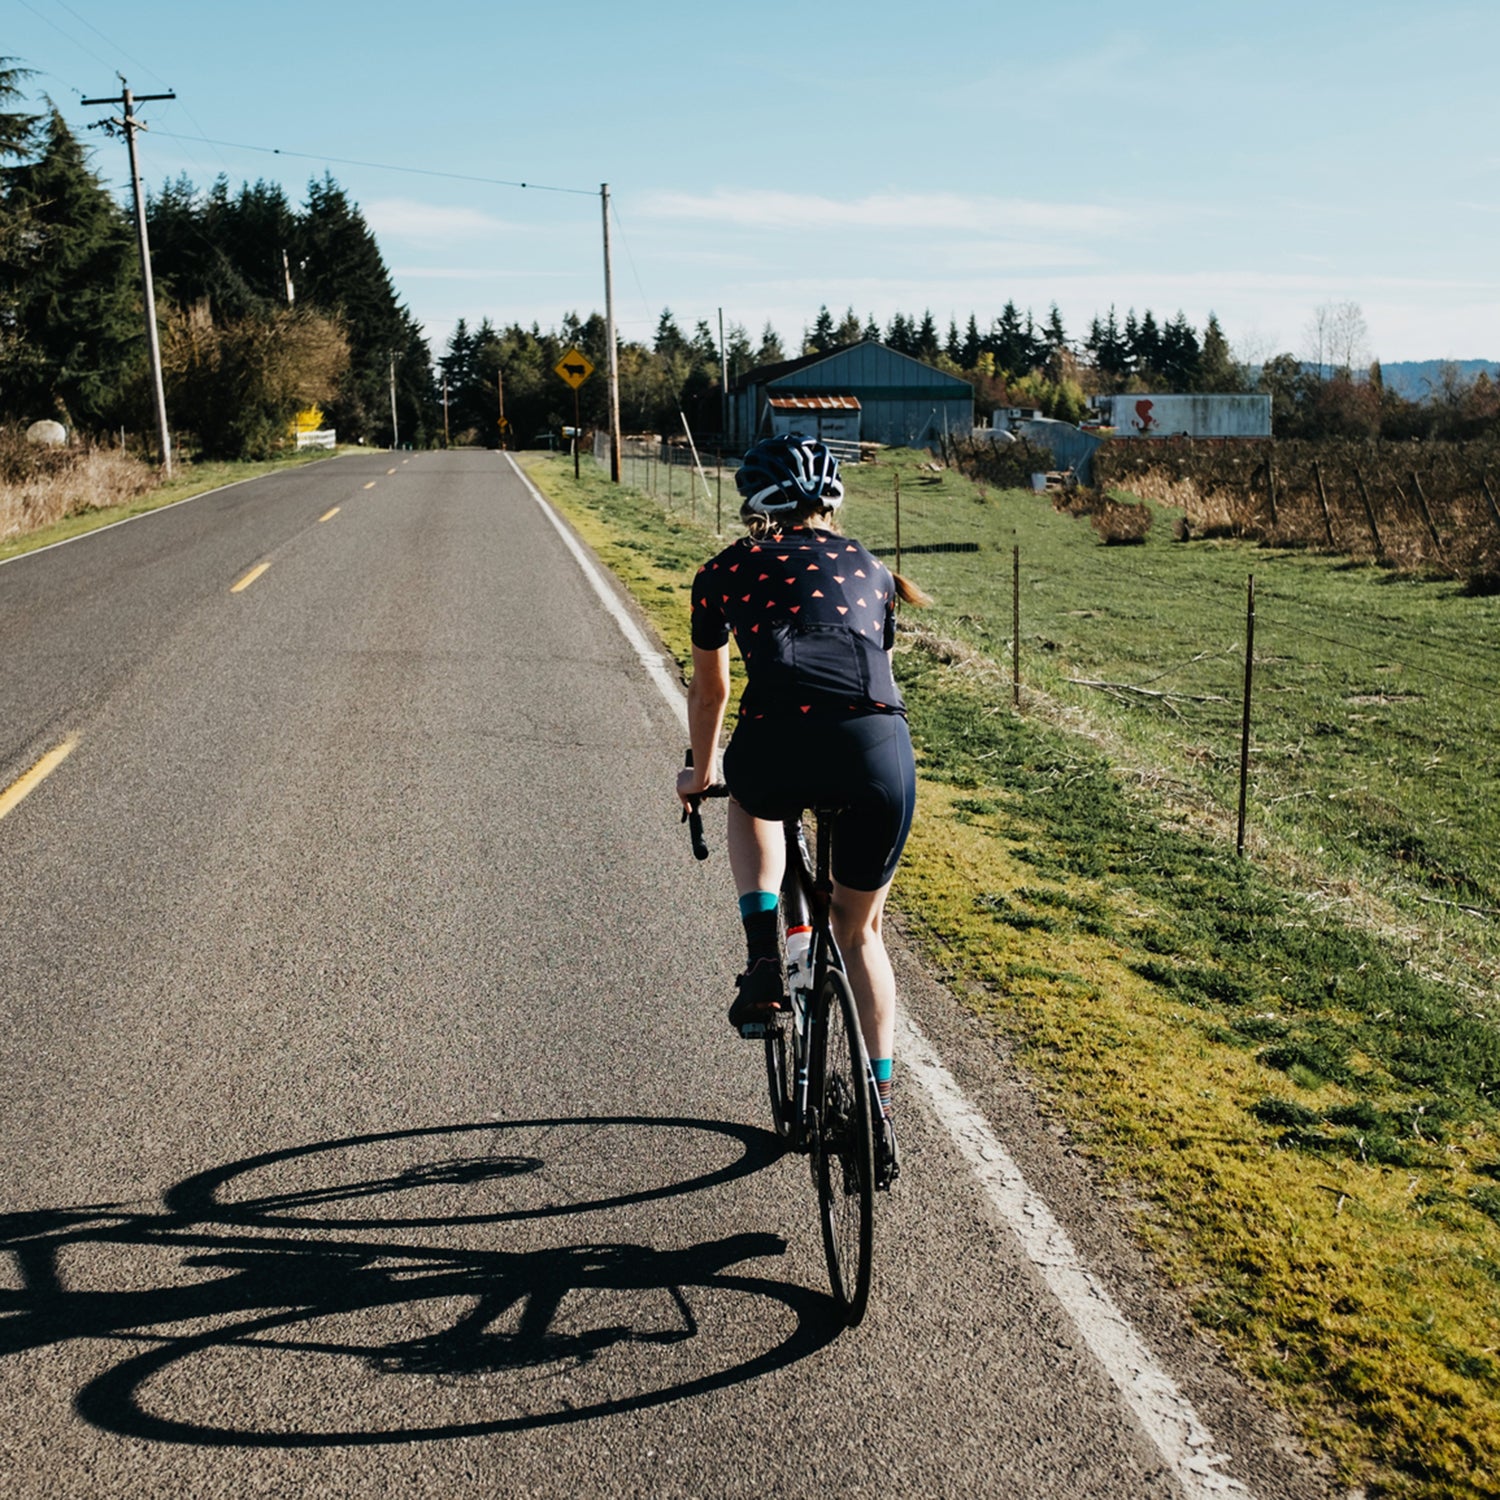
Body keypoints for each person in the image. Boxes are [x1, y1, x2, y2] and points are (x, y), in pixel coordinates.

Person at [675, 432, 923, 1178]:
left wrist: (700, 768)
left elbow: (713, 689)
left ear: (756, 505)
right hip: (879, 753)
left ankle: (761, 960)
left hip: (780, 739)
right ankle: (878, 1109)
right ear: (832, 501)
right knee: (862, 931)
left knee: (752, 802)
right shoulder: (876, 570)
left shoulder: (724, 570)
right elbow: (867, 665)